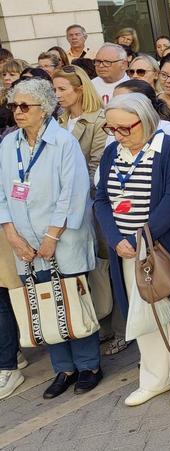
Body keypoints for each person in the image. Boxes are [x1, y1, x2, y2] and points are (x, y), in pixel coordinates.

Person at [95, 93, 170, 407]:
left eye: (124, 128)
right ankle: (155, 378)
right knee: (143, 312)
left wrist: (140, 239)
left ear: (145, 121)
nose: (117, 135)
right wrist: (115, 237)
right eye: (111, 128)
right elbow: (102, 199)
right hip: (127, 249)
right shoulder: (112, 152)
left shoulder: (169, 147)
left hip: (167, 245)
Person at [1, 78, 101, 398]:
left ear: (43, 109)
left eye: (24, 106)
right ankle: (64, 369)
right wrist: (11, 234)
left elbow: (73, 193)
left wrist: (51, 236)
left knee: (71, 298)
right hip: (24, 243)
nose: (18, 111)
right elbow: (2, 193)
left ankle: (88, 366)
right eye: (13, 105)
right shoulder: (8, 144)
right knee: (42, 302)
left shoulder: (63, 142)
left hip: (62, 239)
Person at [52, 66, 107, 178]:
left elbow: (97, 166)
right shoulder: (59, 120)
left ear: (80, 90)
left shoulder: (101, 121)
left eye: (62, 89)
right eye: (55, 90)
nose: (57, 95)